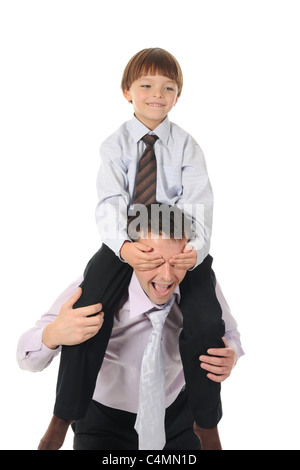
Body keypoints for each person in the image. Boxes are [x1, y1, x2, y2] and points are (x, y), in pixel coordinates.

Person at [35, 47, 229, 449]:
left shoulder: (187, 146)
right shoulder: (115, 145)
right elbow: (110, 203)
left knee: (207, 324)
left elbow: (200, 202)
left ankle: (206, 422)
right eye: (146, 85)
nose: (156, 94)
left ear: (178, 95)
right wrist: (124, 247)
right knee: (88, 314)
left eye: (168, 87)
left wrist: (193, 250)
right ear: (127, 90)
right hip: (127, 244)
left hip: (177, 247)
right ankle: (63, 415)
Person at [17, 207, 244, 450]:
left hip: (178, 416)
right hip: (103, 422)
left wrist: (230, 354)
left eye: (176, 262)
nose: (166, 276)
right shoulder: (91, 292)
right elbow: (26, 359)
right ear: (132, 256)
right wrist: (53, 333)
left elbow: (230, 334)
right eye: (153, 261)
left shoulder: (199, 291)